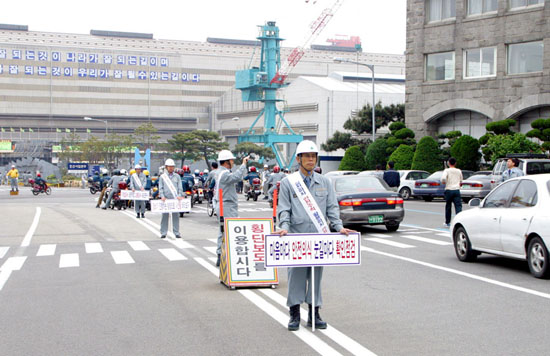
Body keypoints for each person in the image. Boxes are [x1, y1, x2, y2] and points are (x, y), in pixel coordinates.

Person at [274, 140, 354, 331]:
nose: (311, 160)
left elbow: (332, 208)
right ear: (299, 159)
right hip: (297, 236)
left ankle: (314, 313)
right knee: (296, 275)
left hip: (319, 237)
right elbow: (284, 209)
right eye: (307, 156)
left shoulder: (324, 181)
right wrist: (284, 226)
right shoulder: (288, 183)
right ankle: (294, 313)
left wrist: (339, 227)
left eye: (313, 156)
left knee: (316, 275)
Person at [214, 150, 249, 267]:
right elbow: (237, 177)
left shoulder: (219, 172)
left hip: (222, 204)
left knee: (222, 231)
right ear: (227, 162)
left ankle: (220, 255)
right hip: (227, 205)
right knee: (229, 231)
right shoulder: (224, 174)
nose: (233, 162)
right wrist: (243, 164)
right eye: (232, 160)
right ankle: (226, 256)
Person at [159, 159, 184, 239]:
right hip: (165, 199)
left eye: (172, 167)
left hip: (175, 199)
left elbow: (180, 187)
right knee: (165, 216)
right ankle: (163, 232)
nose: (171, 168)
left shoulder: (177, 176)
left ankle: (176, 232)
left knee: (176, 216)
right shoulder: (163, 177)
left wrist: (180, 195)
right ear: (166, 167)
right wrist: (162, 196)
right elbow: (161, 187)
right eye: (169, 167)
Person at [441, 157, 463, 228]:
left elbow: (443, 178)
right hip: (456, 189)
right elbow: (461, 180)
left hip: (449, 189)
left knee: (448, 206)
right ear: (455, 163)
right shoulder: (459, 171)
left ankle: (447, 222)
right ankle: (459, 220)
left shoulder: (447, 170)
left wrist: (444, 182)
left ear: (448, 163)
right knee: (458, 206)